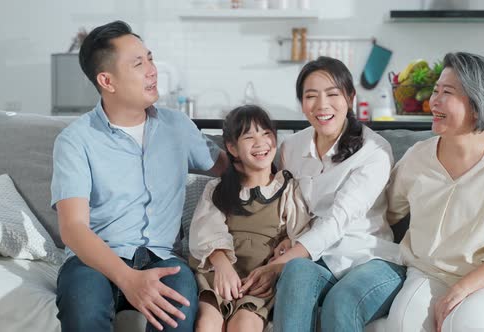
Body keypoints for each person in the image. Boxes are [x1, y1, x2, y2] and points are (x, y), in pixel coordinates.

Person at [50, 20, 228, 332]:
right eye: (138, 63)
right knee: (84, 310)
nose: (152, 69)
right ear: (107, 80)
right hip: (95, 261)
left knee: (181, 307)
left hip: (163, 259)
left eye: (150, 58)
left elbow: (230, 169)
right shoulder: (75, 140)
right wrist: (128, 279)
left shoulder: (178, 127)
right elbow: (74, 228)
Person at [241, 56, 406, 332]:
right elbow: (286, 205)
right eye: (311, 96)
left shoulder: (374, 152)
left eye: (332, 94)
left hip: (370, 257)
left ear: (350, 98)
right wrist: (286, 243)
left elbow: (338, 220)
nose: (322, 105)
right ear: (302, 103)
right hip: (317, 259)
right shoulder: (291, 148)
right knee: (295, 271)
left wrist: (280, 261)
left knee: (342, 301)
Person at [385, 52, 484, 332]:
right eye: (435, 90)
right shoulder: (417, 157)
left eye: (447, 92)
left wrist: (463, 288)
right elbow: (385, 211)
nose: (433, 101)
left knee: (467, 323)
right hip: (429, 272)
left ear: (477, 105)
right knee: (401, 323)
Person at [188, 105, 312, 332]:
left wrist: (287, 244)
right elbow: (205, 230)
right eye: (249, 137)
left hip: (258, 282)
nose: (260, 142)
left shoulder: (287, 187)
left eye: (266, 134)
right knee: (207, 324)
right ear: (232, 148)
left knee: (244, 326)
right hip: (219, 275)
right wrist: (222, 264)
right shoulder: (218, 189)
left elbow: (302, 232)